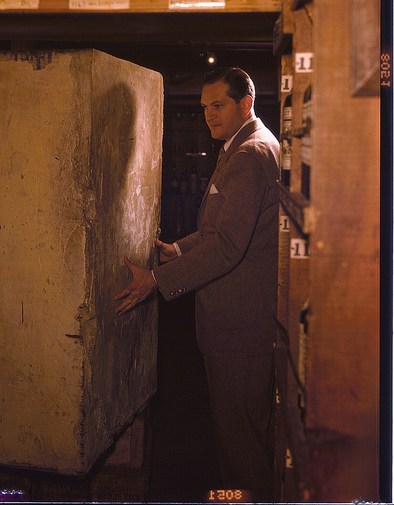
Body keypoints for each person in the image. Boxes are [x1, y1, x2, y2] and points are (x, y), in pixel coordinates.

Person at [115, 66, 280, 502]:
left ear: (246, 103)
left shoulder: (250, 155)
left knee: (241, 447)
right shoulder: (241, 146)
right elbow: (218, 230)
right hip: (237, 328)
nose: (208, 114)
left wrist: (156, 278)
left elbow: (226, 245)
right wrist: (180, 250)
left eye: (218, 105)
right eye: (204, 106)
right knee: (238, 440)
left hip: (240, 332)